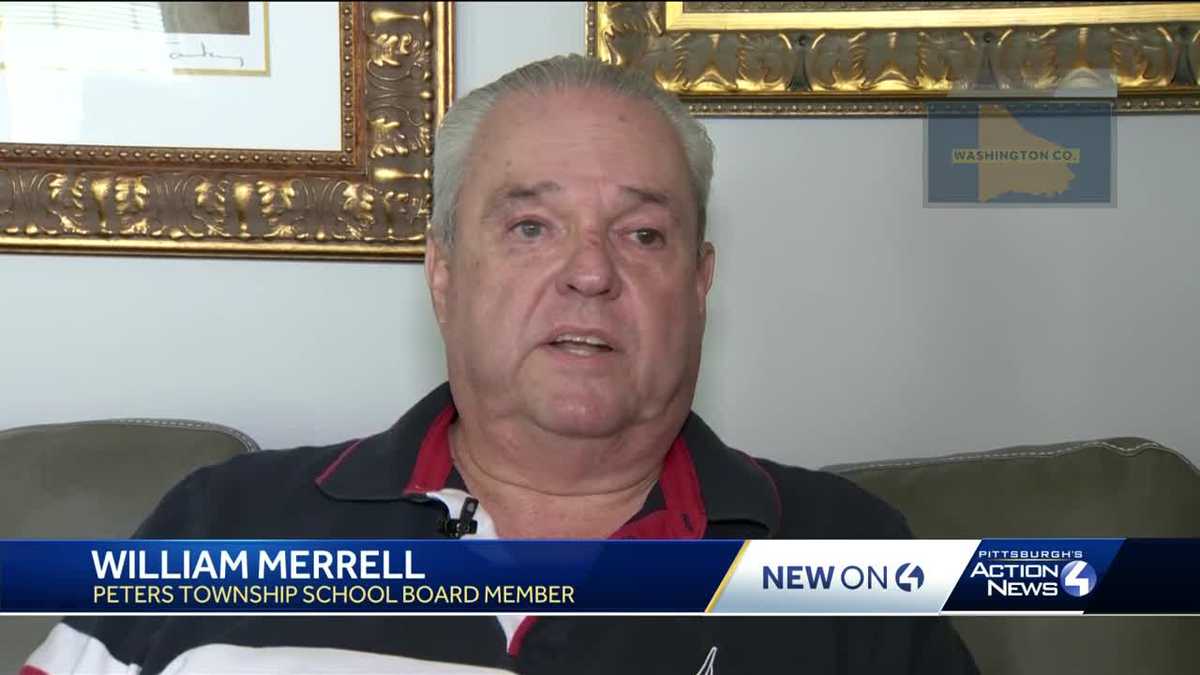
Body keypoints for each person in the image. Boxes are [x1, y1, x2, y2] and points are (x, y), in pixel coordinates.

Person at [24, 54, 978, 674]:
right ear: (444, 274)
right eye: (530, 227)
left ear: (698, 284)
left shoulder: (852, 555)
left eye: (643, 234)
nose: (591, 272)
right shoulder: (220, 524)